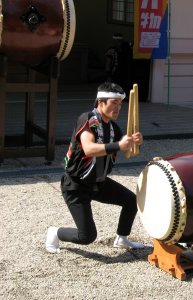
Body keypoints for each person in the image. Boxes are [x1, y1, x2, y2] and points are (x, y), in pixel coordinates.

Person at [45, 82, 144, 254]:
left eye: (120, 104)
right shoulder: (88, 119)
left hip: (99, 183)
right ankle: (55, 232)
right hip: (76, 185)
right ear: (100, 102)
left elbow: (128, 151)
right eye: (114, 103)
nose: (118, 108)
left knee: (131, 201)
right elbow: (89, 148)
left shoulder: (113, 127)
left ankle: (122, 238)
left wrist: (136, 142)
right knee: (87, 236)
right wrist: (120, 145)